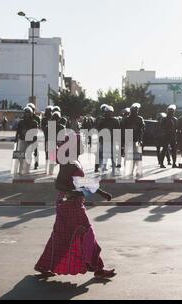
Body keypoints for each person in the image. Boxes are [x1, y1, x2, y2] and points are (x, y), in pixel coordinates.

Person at [35, 134, 116, 279]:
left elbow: (81, 181)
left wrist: (102, 193)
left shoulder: (73, 160)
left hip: (67, 203)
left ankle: (44, 265)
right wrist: (70, 193)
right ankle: (98, 268)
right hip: (71, 205)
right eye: (81, 144)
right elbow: (59, 183)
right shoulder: (70, 163)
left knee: (60, 237)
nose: (84, 146)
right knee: (87, 234)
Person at [96, 105, 121, 174]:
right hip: (103, 141)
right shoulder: (102, 120)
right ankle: (102, 168)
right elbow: (98, 129)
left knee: (112, 155)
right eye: (108, 112)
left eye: (111, 112)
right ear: (105, 113)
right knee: (102, 155)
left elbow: (118, 130)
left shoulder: (115, 120)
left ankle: (113, 168)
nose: (109, 114)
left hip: (112, 141)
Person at [15, 106, 39, 175]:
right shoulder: (21, 122)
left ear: (31, 114)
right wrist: (16, 138)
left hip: (30, 141)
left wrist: (33, 139)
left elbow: (35, 132)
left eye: (28, 113)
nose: (26, 115)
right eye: (25, 113)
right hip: (22, 140)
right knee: (20, 156)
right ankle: (20, 169)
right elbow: (18, 130)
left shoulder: (34, 122)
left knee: (28, 156)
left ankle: (27, 170)